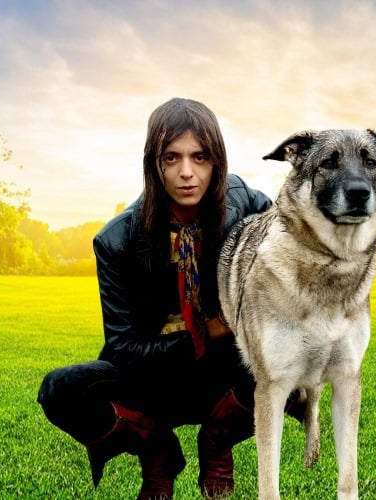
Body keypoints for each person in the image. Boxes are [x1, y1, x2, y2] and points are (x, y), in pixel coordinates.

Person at [38, 98, 298, 499]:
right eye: (172, 158)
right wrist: (209, 330)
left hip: (226, 369)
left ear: (217, 161)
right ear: (153, 164)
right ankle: (156, 449)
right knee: (59, 390)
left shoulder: (245, 203)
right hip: (152, 373)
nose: (186, 172)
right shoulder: (116, 241)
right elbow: (124, 349)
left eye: (199, 157)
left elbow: (293, 245)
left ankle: (218, 437)